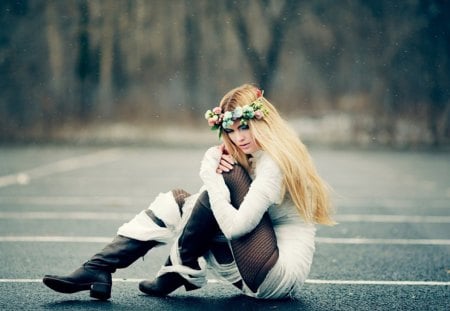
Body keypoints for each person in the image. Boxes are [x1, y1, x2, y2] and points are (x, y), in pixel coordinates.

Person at [43, 83, 335, 300]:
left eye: (245, 126)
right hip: (252, 269)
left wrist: (211, 176)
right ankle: (99, 268)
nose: (239, 137)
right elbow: (205, 210)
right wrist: (188, 200)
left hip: (275, 275)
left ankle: (176, 269)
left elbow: (235, 228)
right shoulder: (255, 157)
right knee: (179, 200)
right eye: (231, 130)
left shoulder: (273, 162)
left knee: (219, 183)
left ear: (263, 121)